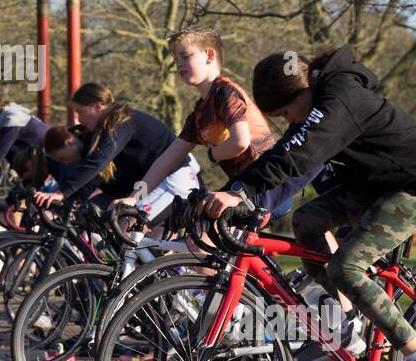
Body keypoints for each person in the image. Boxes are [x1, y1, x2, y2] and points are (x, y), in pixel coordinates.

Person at [200, 46, 416, 361]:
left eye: (286, 112)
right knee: (307, 222)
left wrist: (242, 191)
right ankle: (345, 324)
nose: (287, 119)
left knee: (347, 267)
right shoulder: (318, 102)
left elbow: (298, 158)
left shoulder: (339, 101)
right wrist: (242, 193)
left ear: (300, 94)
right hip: (378, 183)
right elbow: (284, 157)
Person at [118, 27, 322, 219]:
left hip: (267, 186)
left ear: (209, 56)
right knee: (197, 233)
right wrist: (134, 197)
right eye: (175, 58)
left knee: (203, 238)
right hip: (244, 187)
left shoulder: (225, 92)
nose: (178, 63)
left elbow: (240, 142)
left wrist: (212, 154)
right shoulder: (199, 113)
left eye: (185, 56)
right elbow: (165, 161)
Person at [35, 83, 199, 224]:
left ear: (98, 106)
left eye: (81, 112)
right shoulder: (109, 125)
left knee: (128, 234)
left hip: (173, 179)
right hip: (153, 182)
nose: (79, 119)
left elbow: (97, 163)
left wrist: (61, 193)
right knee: (113, 232)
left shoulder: (121, 123)